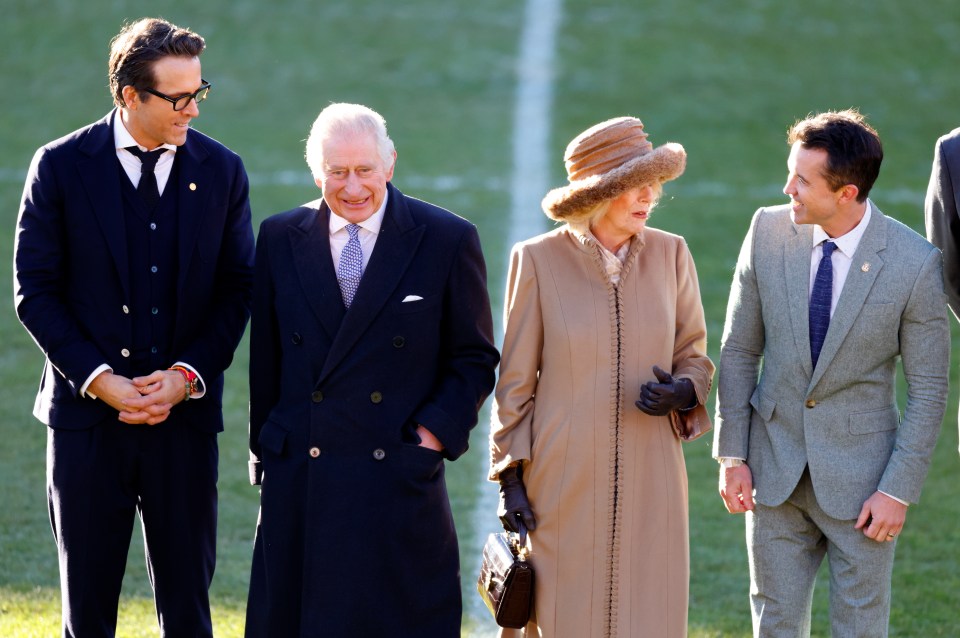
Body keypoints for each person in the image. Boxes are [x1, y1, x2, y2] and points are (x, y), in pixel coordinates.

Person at [12, 17, 254, 638]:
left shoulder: (224, 171)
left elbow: (236, 289)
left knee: (189, 614)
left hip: (184, 425)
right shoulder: (60, 167)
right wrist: (98, 379)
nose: (192, 110)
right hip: (87, 425)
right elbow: (34, 291)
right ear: (128, 95)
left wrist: (185, 376)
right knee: (85, 613)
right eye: (177, 98)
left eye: (199, 92)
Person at [245, 102, 499, 637]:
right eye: (337, 172)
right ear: (317, 173)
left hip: (396, 478)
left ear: (390, 164)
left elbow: (474, 358)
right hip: (302, 483)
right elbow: (266, 364)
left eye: (364, 170)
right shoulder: (278, 238)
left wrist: (430, 437)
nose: (352, 186)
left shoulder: (446, 239)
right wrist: (267, 451)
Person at [714, 109, 949, 637]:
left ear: (846, 192)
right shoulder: (766, 231)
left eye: (802, 180)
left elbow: (930, 390)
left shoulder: (915, 264)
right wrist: (732, 454)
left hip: (864, 488)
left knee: (861, 629)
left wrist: (897, 491)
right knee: (774, 623)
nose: (787, 188)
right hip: (772, 472)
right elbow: (738, 350)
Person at [489, 116, 714, 638]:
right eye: (636, 185)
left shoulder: (672, 252)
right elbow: (515, 382)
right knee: (564, 615)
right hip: (560, 476)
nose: (651, 195)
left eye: (653, 183)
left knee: (651, 612)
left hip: (654, 473)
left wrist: (685, 389)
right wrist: (511, 479)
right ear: (601, 193)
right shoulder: (537, 261)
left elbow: (694, 354)